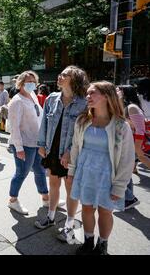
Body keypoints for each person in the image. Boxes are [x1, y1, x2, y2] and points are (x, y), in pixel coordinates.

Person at [69, 81, 134, 255]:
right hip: (85, 172)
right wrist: (71, 171)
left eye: (93, 93)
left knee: (105, 212)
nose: (88, 97)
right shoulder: (83, 120)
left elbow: (127, 159)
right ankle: (88, 242)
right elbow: (75, 147)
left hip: (108, 176)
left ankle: (102, 246)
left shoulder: (121, 126)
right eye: (87, 93)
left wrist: (120, 186)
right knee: (87, 208)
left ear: (107, 96)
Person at [34, 66, 89, 243]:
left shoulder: (84, 103)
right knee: (53, 183)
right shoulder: (51, 98)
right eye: (61, 74)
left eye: (65, 75)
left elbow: (83, 132)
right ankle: (50, 217)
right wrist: (41, 145)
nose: (60, 76)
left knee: (70, 187)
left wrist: (70, 152)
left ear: (74, 80)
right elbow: (44, 123)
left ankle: (69, 223)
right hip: (52, 149)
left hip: (70, 152)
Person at [7, 71, 49, 215]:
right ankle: (13, 200)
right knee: (21, 173)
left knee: (40, 171)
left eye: (33, 81)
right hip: (24, 144)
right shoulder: (17, 101)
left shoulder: (32, 97)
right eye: (28, 81)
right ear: (20, 83)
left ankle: (46, 197)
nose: (31, 84)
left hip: (36, 142)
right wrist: (19, 148)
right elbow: (14, 127)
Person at [117, 85, 150, 209]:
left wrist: (137, 149)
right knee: (125, 172)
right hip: (128, 144)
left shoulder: (131, 108)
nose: (115, 92)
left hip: (133, 145)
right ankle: (129, 198)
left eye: (118, 90)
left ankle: (129, 198)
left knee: (122, 171)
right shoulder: (127, 107)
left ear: (125, 93)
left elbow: (140, 130)